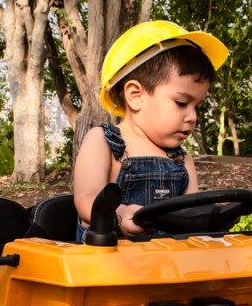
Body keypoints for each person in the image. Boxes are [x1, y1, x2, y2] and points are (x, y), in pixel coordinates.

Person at [73, 20, 229, 240]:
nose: (193, 117)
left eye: (197, 107)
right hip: (108, 265)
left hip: (168, 268)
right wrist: (120, 214)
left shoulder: (181, 159)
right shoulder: (104, 141)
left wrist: (211, 211)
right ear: (136, 96)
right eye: (182, 103)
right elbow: (86, 199)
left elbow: (190, 214)